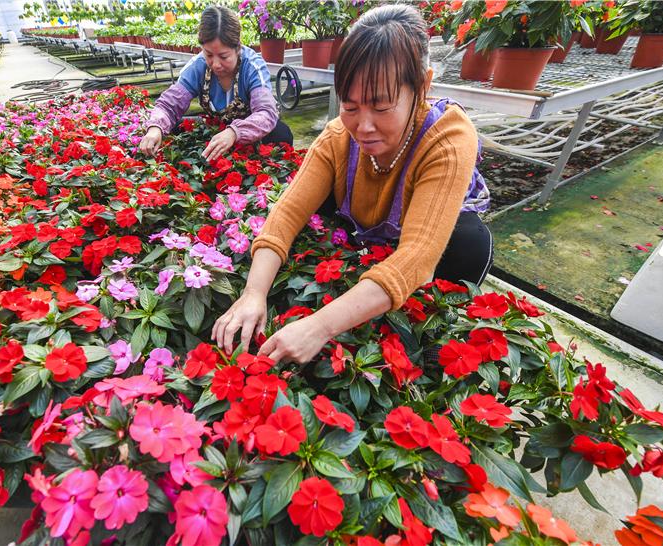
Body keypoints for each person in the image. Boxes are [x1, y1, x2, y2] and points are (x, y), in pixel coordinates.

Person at [212, 4, 493, 363]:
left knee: (468, 243)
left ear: (421, 87)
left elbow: (418, 256)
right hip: (363, 232)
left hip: (429, 235)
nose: (363, 125)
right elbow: (287, 213)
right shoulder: (337, 137)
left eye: (380, 106)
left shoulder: (449, 138)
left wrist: (318, 327)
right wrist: (253, 293)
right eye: (350, 105)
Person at [139, 5, 293, 162]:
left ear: (238, 47)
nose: (216, 64)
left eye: (224, 56)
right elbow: (169, 105)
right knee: (174, 125)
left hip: (251, 132)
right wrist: (155, 128)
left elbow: (266, 113)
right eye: (209, 54)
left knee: (281, 134)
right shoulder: (197, 66)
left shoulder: (252, 66)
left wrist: (234, 132)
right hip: (217, 129)